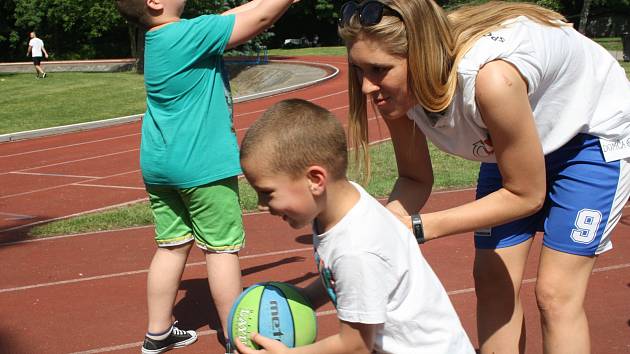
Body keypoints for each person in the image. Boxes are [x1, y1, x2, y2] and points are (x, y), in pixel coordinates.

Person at [338, 1, 630, 353]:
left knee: (555, 293)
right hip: (518, 130)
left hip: (589, 137)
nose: (367, 86)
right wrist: (386, 222)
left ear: (421, 58)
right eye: (358, 69)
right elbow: (414, 178)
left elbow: (526, 195)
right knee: (491, 279)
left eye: (379, 69)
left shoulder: (491, 79)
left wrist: (417, 227)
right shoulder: (394, 92)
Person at [113, 0, 298, 353]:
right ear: (154, 1)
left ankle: (159, 332)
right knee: (221, 249)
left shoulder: (162, 38)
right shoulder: (190, 34)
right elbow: (258, 18)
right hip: (202, 164)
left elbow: (232, 16)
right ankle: (236, 338)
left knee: (172, 246)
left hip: (160, 164)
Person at [236, 99, 475, 354]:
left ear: (315, 180)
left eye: (267, 193)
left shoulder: (356, 249)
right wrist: (307, 297)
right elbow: (336, 273)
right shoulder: (341, 207)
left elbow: (356, 345)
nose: (261, 205)